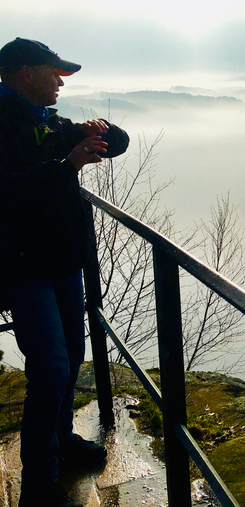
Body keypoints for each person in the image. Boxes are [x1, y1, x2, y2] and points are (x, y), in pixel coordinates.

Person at [0, 38, 129, 507]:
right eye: (54, 73)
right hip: (23, 267)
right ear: (24, 73)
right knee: (52, 366)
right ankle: (37, 482)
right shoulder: (6, 123)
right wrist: (66, 165)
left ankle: (59, 441)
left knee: (71, 356)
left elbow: (118, 143)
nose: (60, 82)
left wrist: (103, 130)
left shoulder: (49, 123)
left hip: (62, 263)